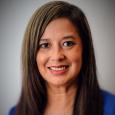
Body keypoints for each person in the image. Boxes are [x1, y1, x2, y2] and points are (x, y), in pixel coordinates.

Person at [9, 1, 115, 115]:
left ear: (85, 49)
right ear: (32, 54)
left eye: (68, 43)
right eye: (44, 45)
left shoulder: (112, 108)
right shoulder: (16, 112)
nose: (57, 56)